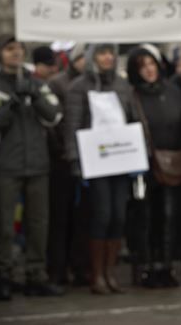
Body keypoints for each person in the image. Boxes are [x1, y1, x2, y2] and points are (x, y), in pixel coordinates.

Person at [0, 34, 63, 300]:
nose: (15, 53)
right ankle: (2, 275)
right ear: (0, 53)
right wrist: (13, 103)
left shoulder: (36, 83)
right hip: (6, 165)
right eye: (9, 49)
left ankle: (36, 274)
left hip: (37, 164)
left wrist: (35, 95)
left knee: (38, 224)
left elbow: (54, 114)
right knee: (4, 226)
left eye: (19, 49)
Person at [64, 43, 137, 295]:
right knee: (101, 216)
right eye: (101, 53)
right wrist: (76, 162)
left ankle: (110, 272)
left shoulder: (122, 85)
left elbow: (134, 118)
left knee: (119, 217)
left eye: (110, 53)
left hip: (122, 160)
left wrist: (141, 155)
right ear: (91, 57)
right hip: (94, 164)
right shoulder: (78, 87)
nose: (107, 57)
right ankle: (96, 275)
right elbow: (72, 126)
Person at [127, 44, 181, 288]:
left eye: (151, 64)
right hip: (143, 166)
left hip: (173, 164)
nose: (148, 70)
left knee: (169, 216)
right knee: (145, 217)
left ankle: (166, 266)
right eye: (142, 66)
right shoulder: (131, 94)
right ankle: (146, 266)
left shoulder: (173, 90)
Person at [46, 43, 88, 286]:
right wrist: (63, 149)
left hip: (92, 160)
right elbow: (54, 122)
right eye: (80, 57)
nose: (84, 61)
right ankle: (58, 270)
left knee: (83, 218)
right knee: (60, 218)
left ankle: (79, 266)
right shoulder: (57, 83)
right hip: (62, 160)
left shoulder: (95, 83)